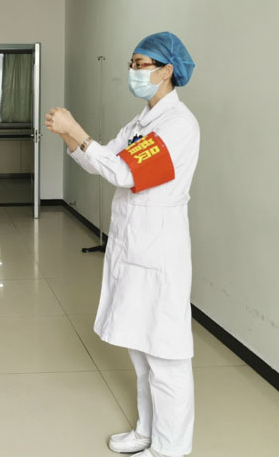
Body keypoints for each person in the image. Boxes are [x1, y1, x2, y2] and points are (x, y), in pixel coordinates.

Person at [46, 32, 200, 457]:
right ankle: (147, 433)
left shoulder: (177, 125)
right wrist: (69, 138)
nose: (134, 71)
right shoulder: (140, 123)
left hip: (160, 252)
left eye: (141, 64)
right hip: (133, 248)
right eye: (131, 63)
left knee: (166, 357)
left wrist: (77, 130)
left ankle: (171, 449)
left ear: (166, 71)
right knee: (141, 351)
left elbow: (125, 175)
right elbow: (104, 161)